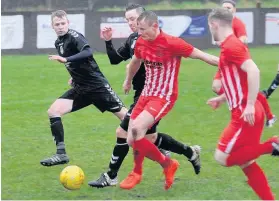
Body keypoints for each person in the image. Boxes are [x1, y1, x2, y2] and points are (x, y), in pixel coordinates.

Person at [88, 4, 201, 188]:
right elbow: (117, 59)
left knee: (126, 133)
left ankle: (112, 175)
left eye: (133, 19)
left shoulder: (155, 39)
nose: (130, 23)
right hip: (142, 95)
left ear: (144, 19)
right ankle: (189, 153)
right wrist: (108, 42)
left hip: (155, 96)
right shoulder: (135, 39)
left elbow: (183, 54)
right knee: (148, 138)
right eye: (127, 20)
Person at [119, 11, 220, 190]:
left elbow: (205, 56)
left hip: (163, 96)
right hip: (146, 94)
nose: (140, 33)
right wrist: (127, 80)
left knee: (136, 129)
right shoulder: (142, 41)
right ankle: (167, 164)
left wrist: (234, 63)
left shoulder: (172, 43)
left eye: (143, 29)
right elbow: (135, 62)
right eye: (139, 29)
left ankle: (137, 172)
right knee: (131, 140)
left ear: (155, 26)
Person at [207, 8, 279, 200]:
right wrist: (222, 98)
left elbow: (253, 71)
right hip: (248, 110)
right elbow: (239, 80)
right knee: (246, 161)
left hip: (245, 113)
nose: (209, 30)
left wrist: (248, 105)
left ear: (214, 24)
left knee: (222, 157)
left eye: (209, 26)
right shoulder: (229, 45)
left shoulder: (231, 45)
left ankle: (272, 145)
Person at [40, 10, 128, 166]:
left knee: (127, 119)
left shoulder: (75, 36)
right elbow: (76, 64)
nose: (60, 27)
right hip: (80, 88)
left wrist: (65, 59)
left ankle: (158, 144)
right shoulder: (58, 42)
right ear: (52, 26)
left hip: (96, 86)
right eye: (57, 24)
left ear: (68, 23)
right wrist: (74, 77)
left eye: (63, 23)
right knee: (53, 111)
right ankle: (61, 154)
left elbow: (87, 52)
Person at [212, 0, 277, 128]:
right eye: (224, 8)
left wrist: (236, 43)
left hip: (237, 62)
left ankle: (268, 115)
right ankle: (237, 100)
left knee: (246, 91)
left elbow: (243, 39)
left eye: (229, 8)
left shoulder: (237, 23)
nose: (226, 10)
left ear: (234, 10)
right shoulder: (221, 24)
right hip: (226, 62)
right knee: (216, 86)